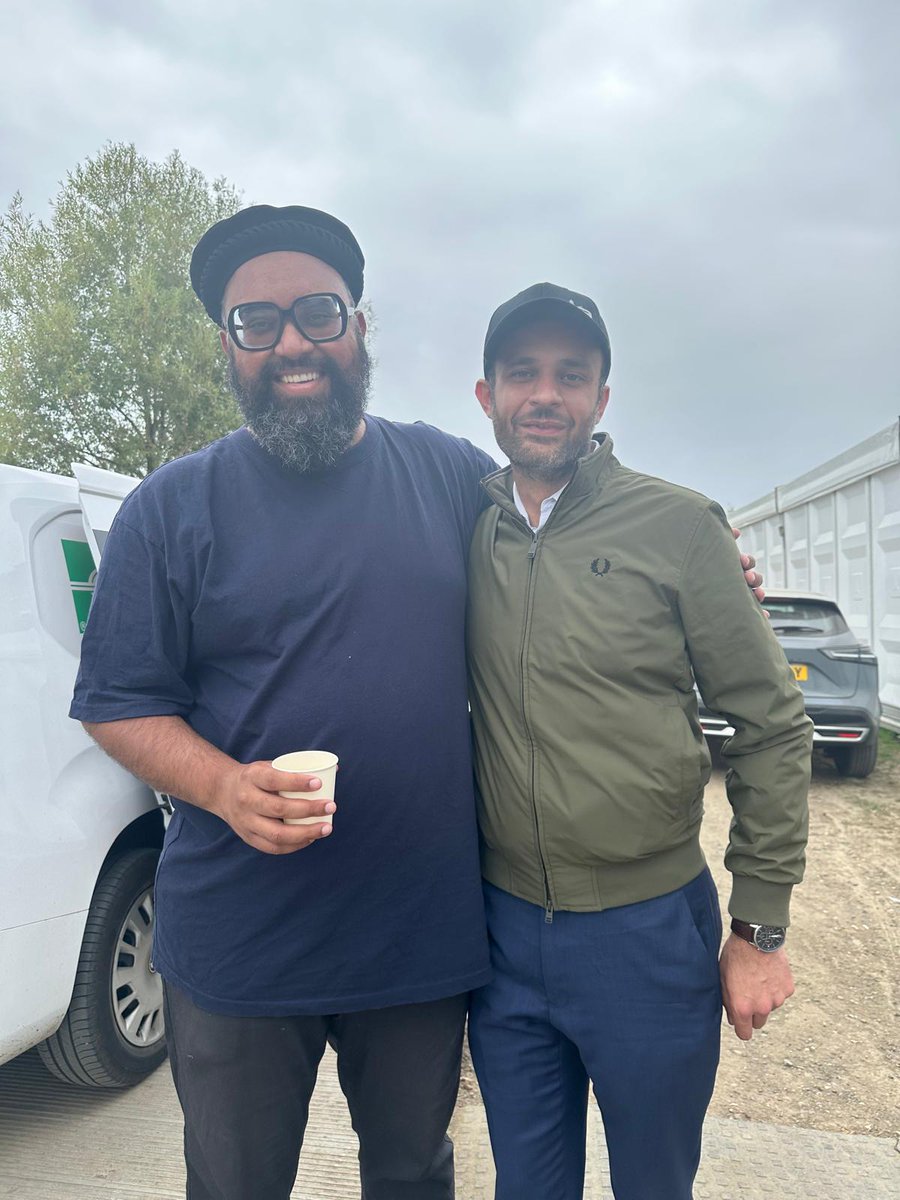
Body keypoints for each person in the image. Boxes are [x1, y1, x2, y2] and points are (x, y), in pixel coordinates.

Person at [70, 205, 765, 1200]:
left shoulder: (445, 476)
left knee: (413, 1175)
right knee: (233, 1183)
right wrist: (222, 787)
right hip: (237, 946)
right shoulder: (168, 510)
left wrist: (706, 559)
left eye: (318, 310)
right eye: (255, 322)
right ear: (226, 344)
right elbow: (117, 702)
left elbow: (559, 524)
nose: (293, 342)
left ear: (359, 325)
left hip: (419, 942)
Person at [464, 282, 813, 1200]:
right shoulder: (461, 527)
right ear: (486, 395)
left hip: (646, 937)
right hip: (501, 937)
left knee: (654, 1186)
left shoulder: (681, 527)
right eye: (523, 373)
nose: (546, 394)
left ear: (602, 400)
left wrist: (759, 927)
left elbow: (773, 726)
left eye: (571, 376)